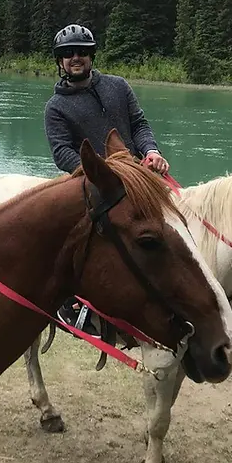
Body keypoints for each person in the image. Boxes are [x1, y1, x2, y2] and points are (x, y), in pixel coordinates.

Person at [44, 23, 170, 330]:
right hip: (90, 181)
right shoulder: (55, 107)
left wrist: (151, 151)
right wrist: (101, 173)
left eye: (82, 53)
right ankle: (71, 304)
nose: (76, 58)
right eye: (69, 54)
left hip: (137, 175)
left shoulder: (118, 86)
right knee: (70, 237)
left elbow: (139, 124)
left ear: (91, 57)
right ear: (60, 61)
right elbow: (61, 152)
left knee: (172, 223)